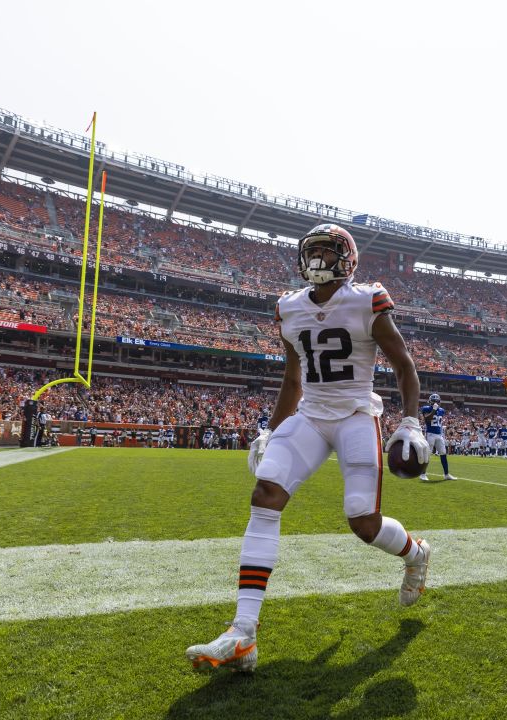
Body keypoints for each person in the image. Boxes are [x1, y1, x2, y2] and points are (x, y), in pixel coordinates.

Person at [186, 223, 431, 673]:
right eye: (312, 251)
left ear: (348, 259)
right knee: (265, 495)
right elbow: (293, 379)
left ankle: (415, 554)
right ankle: (243, 633)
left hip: (357, 415)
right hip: (311, 417)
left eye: (327, 252)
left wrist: (411, 421)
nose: (318, 260)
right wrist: (270, 431)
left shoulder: (368, 300)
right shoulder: (289, 308)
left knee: (363, 522)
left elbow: (404, 366)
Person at [419, 393, 456, 481]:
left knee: (443, 453)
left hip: (439, 434)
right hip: (430, 434)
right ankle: (423, 474)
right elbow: (427, 419)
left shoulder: (442, 410)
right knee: (428, 454)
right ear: (430, 401)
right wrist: (434, 410)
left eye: (436, 401)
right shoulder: (426, 408)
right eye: (434, 401)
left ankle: (446, 474)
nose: (435, 402)